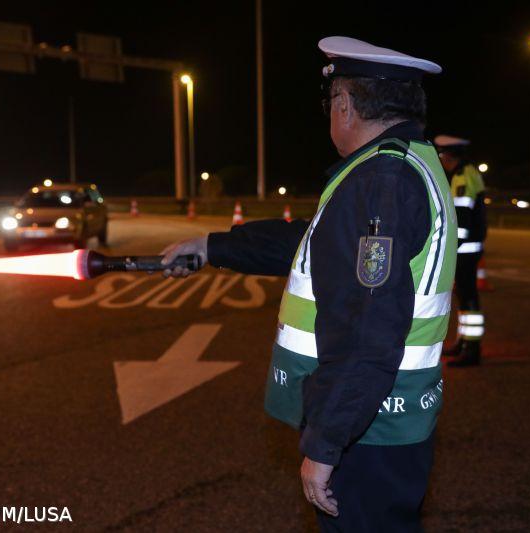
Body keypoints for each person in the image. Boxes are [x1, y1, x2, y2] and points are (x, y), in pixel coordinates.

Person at [161, 36, 456, 532]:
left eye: (330, 103)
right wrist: (214, 246)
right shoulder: (405, 162)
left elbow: (367, 327)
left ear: (344, 104)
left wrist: (326, 444)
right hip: (386, 418)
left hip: (370, 429)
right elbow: (317, 243)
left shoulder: (377, 180)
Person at [434, 135, 487, 367]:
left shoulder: (463, 176)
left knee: (468, 297)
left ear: (448, 155)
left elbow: (463, 218)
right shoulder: (465, 173)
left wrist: (453, 248)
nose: (440, 159)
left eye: (441, 155)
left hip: (466, 248)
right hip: (468, 247)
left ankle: (472, 349)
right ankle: (464, 342)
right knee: (465, 297)